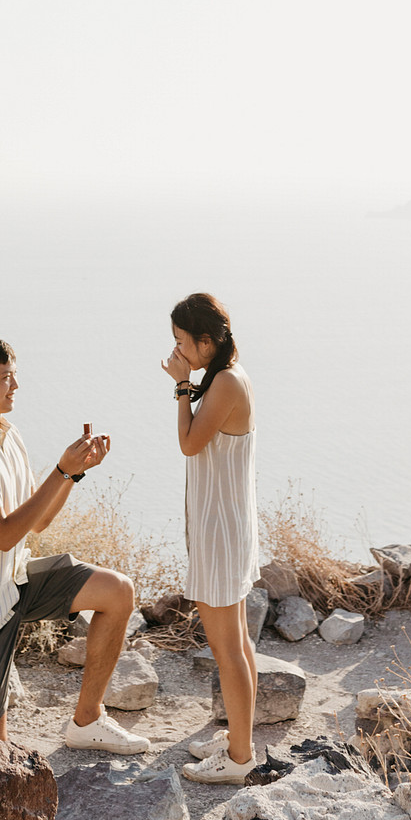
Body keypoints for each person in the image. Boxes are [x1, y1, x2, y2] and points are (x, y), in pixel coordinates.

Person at [0, 335, 151, 753]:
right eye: (5, 378)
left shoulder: (8, 436)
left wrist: (73, 473)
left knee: (117, 592)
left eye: (15, 377)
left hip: (15, 581)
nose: (15, 386)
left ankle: (88, 723)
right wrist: (60, 469)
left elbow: (39, 522)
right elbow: (3, 534)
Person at [161, 293, 259, 783]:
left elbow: (189, 443)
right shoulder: (225, 377)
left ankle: (239, 760)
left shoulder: (222, 384)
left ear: (205, 341)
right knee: (236, 641)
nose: (177, 349)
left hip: (220, 531)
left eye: (182, 341)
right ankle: (240, 740)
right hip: (225, 526)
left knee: (227, 647)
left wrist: (182, 385)